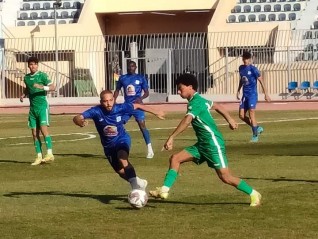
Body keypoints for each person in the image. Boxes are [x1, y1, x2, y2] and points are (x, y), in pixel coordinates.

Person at [149, 73, 262, 207]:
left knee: (225, 177)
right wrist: (230, 119)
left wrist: (172, 137)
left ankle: (254, 193)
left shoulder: (196, 102)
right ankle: (164, 190)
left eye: (180, 88)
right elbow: (217, 106)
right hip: (202, 144)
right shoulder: (200, 100)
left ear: (190, 87)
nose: (179, 91)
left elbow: (186, 121)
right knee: (175, 158)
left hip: (213, 143)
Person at [73, 90, 165, 192]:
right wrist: (79, 122)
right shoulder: (96, 111)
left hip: (122, 139)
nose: (108, 103)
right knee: (120, 172)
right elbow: (77, 117)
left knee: (122, 158)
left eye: (111, 100)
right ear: (101, 101)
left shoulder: (120, 107)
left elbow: (138, 106)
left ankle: (135, 189)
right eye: (105, 101)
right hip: (108, 147)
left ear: (113, 100)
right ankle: (140, 183)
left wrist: (156, 112)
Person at [113, 61, 154, 159]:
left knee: (142, 124)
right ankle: (117, 147)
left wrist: (142, 98)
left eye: (132, 66)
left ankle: (150, 149)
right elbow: (117, 90)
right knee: (118, 124)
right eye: (128, 66)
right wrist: (113, 101)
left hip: (138, 106)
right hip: (127, 106)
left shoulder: (140, 78)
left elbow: (147, 92)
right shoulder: (123, 78)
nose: (130, 67)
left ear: (135, 67)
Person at [20, 56, 55, 166]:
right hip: (32, 109)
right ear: (28, 66)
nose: (33, 66)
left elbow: (53, 87)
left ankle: (50, 154)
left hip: (42, 107)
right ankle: (39, 156)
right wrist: (23, 94)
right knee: (34, 133)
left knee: (44, 130)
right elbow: (28, 88)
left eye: (35, 64)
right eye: (31, 64)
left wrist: (42, 87)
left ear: (37, 65)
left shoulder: (42, 75)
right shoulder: (26, 77)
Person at [236, 51, 271, 143]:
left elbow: (261, 81)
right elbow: (242, 79)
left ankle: (255, 136)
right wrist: (238, 90)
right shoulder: (241, 68)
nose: (245, 60)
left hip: (252, 95)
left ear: (250, 59)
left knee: (251, 114)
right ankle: (257, 128)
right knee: (241, 116)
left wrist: (266, 94)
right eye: (244, 58)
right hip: (245, 95)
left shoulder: (253, 69)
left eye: (247, 59)